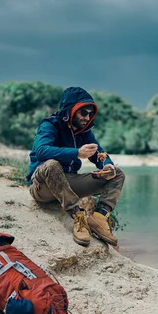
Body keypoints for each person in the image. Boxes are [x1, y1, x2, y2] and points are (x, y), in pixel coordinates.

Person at [26, 87, 125, 247]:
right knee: (52, 164)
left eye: (90, 113)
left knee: (118, 173)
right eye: (83, 113)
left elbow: (100, 154)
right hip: (42, 186)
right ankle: (79, 217)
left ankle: (99, 218)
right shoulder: (49, 125)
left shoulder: (84, 132)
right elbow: (41, 150)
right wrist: (77, 152)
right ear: (70, 111)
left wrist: (108, 167)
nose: (87, 117)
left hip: (68, 183)